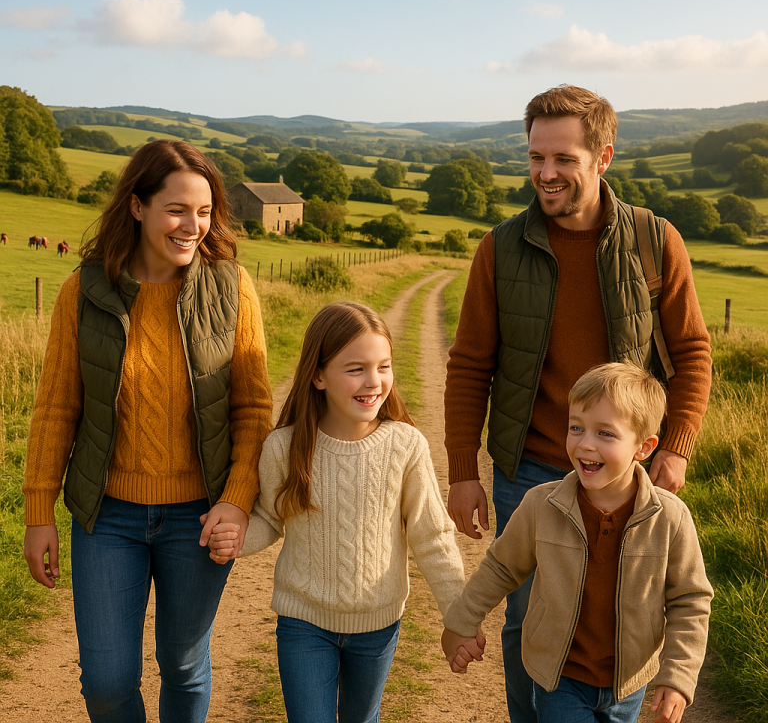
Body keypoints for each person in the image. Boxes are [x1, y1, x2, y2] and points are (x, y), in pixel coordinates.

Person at [444, 84, 712, 721]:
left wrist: (675, 448)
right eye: (537, 157)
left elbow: (694, 352)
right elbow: (469, 364)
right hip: (530, 467)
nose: (546, 173)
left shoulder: (654, 241)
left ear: (603, 157)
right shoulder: (501, 246)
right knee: (525, 623)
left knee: (622, 618)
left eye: (563, 158)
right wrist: (461, 471)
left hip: (626, 469)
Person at [22, 140, 273, 723]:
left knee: (184, 667)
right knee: (108, 681)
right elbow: (56, 409)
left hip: (200, 517)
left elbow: (253, 409)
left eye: (205, 211)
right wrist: (39, 514)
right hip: (106, 516)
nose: (194, 226)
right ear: (137, 206)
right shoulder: (83, 292)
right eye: (177, 209)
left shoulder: (231, 288)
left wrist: (236, 502)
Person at [206, 301, 465, 723]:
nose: (374, 381)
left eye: (384, 366)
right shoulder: (283, 448)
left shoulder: (406, 446)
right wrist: (235, 540)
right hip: (303, 624)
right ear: (318, 375)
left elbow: (432, 536)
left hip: (378, 627)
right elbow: (271, 520)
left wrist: (458, 616)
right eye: (356, 368)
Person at [442, 363, 713, 723]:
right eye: (576, 427)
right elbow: (501, 567)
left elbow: (690, 600)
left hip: (628, 683)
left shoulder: (670, 519)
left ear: (644, 447)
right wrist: (462, 621)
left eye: (605, 433)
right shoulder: (542, 505)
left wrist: (678, 675)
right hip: (560, 677)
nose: (585, 444)